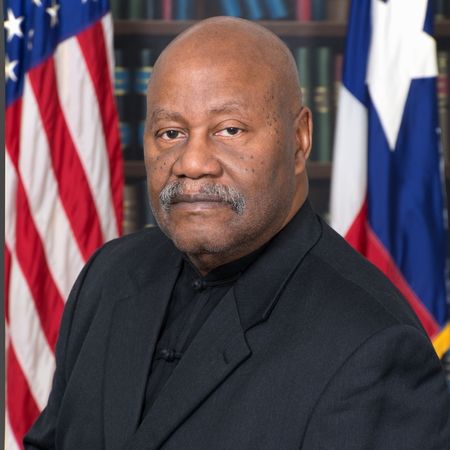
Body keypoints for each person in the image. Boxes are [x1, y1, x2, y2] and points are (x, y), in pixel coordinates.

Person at [25, 17, 450, 449]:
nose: (192, 163)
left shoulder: (374, 347)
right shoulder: (109, 274)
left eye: (230, 130)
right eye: (171, 133)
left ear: (300, 139)